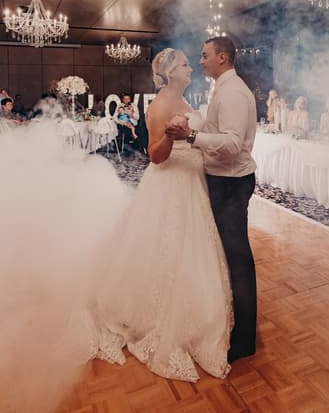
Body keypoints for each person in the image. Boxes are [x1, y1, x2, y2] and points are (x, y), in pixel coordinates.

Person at [91, 48, 232, 382]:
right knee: (167, 248)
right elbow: (154, 155)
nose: (191, 68)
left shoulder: (183, 102)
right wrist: (169, 137)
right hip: (171, 183)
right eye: (185, 64)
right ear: (170, 73)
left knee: (191, 250)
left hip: (192, 183)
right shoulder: (160, 104)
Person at [166, 36, 258, 364]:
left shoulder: (232, 92)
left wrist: (190, 136)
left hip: (232, 184)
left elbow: (232, 143)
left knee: (238, 258)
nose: (200, 61)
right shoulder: (223, 87)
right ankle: (236, 323)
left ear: (222, 57)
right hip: (224, 180)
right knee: (230, 255)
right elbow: (220, 131)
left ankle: (245, 338)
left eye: (205, 56)